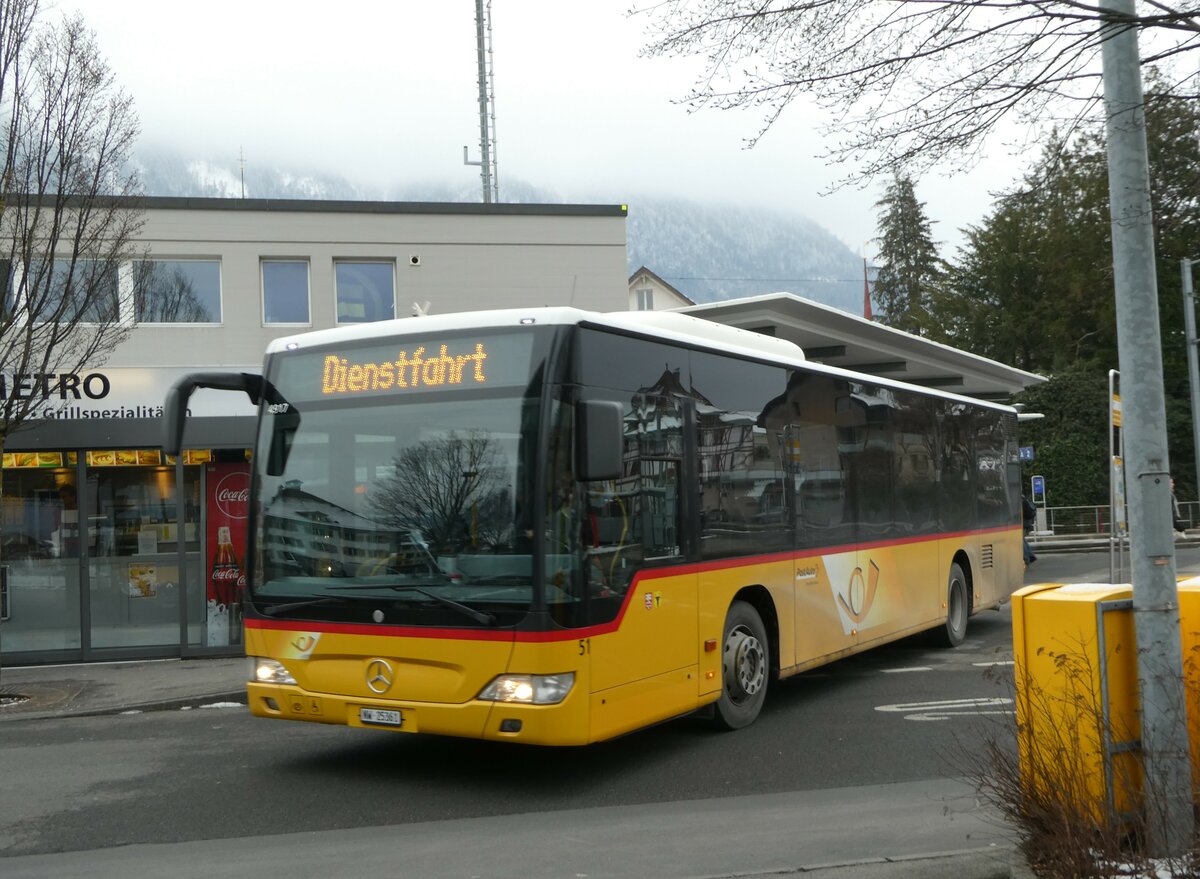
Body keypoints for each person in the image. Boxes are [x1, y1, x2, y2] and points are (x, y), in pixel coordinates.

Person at [1022, 494, 1037, 566]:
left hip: (1022, 523)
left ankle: (1026, 557)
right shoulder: (1023, 499)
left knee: (1020, 540)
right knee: (1022, 539)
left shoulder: (1020, 500)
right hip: (1026, 523)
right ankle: (1030, 555)